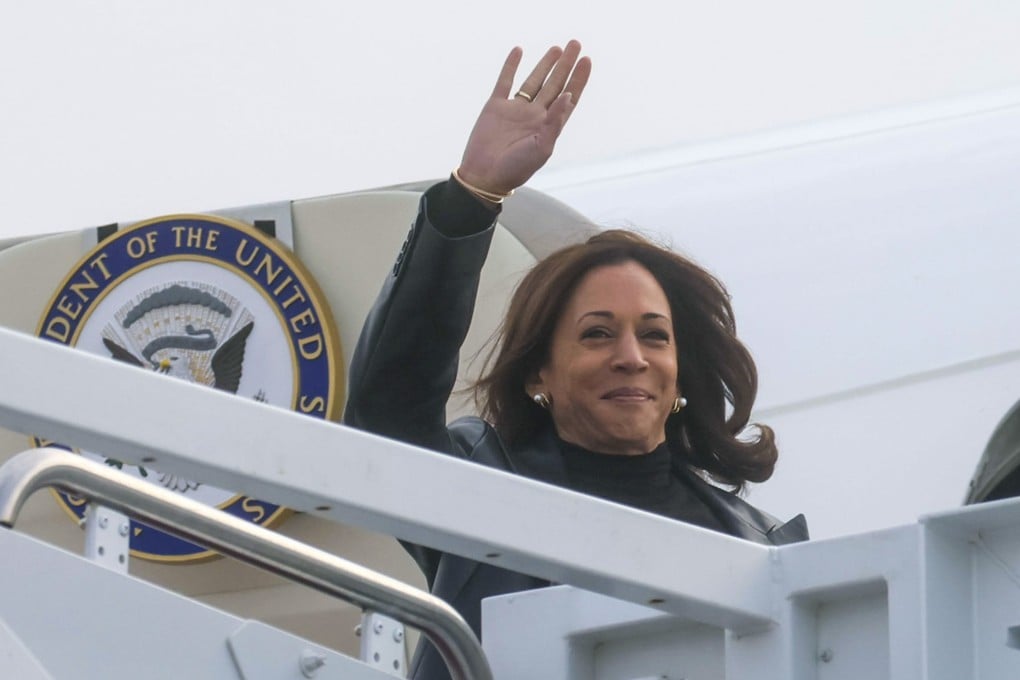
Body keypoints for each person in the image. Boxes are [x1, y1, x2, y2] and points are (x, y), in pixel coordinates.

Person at [343, 40, 808, 680]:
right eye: (596, 334)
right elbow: (388, 404)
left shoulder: (763, 549)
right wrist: (470, 196)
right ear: (539, 373)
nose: (630, 357)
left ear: (679, 374)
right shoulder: (479, 494)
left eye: (654, 336)